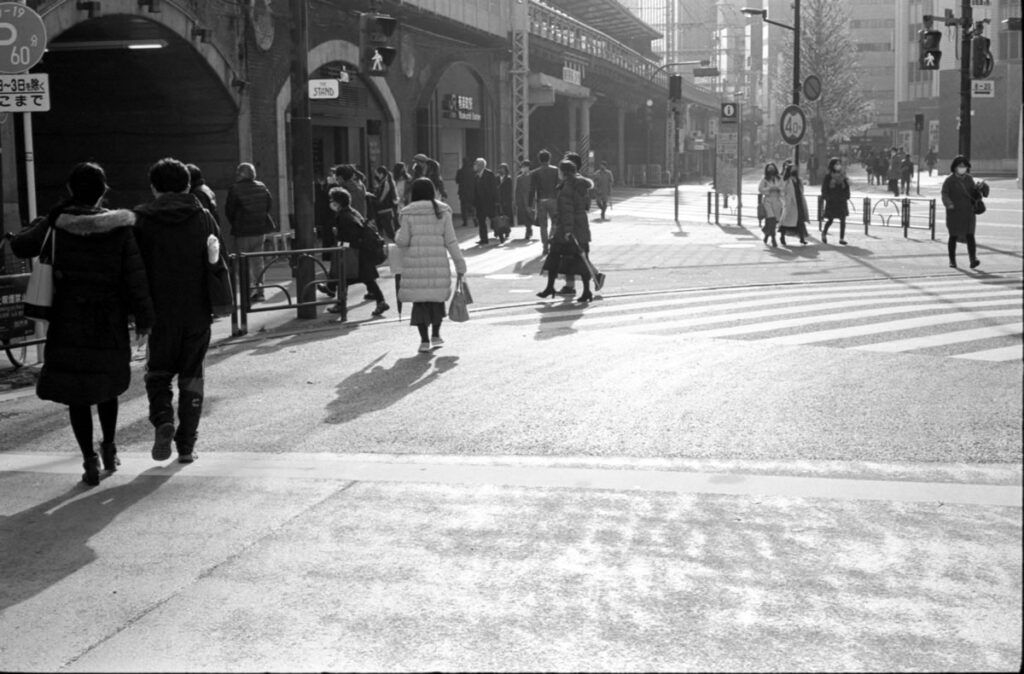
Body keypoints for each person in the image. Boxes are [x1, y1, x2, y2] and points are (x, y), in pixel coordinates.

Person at [8, 162, 154, 486]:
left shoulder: (56, 222)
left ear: (71, 190)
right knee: (108, 385)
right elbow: (135, 276)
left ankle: (88, 459)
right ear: (103, 191)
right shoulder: (119, 226)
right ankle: (110, 447)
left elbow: (21, 246)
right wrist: (144, 319)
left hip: (67, 319)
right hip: (109, 320)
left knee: (77, 393)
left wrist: (29, 226)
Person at [134, 157, 219, 464]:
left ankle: (162, 418)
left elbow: (134, 269)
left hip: (158, 313)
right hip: (197, 310)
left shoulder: (140, 220)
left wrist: (136, 311)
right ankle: (187, 445)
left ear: (154, 187)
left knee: (157, 372)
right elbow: (216, 261)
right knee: (192, 375)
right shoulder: (203, 216)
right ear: (187, 185)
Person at [395, 178, 467, 353]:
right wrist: (460, 263)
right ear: (432, 191)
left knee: (419, 303)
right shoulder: (443, 211)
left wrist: (398, 232)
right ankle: (436, 335)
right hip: (437, 264)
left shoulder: (408, 213)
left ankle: (424, 341)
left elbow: (402, 241)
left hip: (415, 266)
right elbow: (451, 241)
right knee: (436, 301)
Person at [325, 186, 389, 316]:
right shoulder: (353, 212)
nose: (330, 203)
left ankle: (340, 304)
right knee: (367, 279)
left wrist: (340, 239)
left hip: (354, 253)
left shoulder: (343, 216)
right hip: (362, 252)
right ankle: (381, 302)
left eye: (332, 200)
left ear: (338, 202)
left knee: (344, 277)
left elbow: (351, 237)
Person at [536, 159, 594, 303]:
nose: (559, 173)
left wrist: (567, 230)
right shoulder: (580, 185)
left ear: (564, 172)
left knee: (554, 256)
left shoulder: (567, 188)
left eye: (560, 171)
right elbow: (585, 206)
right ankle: (586, 291)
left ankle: (550, 287)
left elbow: (568, 210)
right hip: (581, 228)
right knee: (581, 259)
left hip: (568, 230)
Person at [225, 162, 274, 303]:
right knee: (258, 262)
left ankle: (248, 291)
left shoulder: (235, 189)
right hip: (260, 230)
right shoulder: (262, 186)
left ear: (241, 174)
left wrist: (236, 222)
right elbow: (269, 205)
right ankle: (260, 291)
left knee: (243, 263)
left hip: (243, 231)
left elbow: (230, 211)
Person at [941, 155, 986, 269]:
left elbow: (973, 193)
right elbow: (944, 194)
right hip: (954, 213)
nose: (962, 168)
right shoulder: (949, 180)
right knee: (953, 236)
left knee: (970, 236)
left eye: (964, 166)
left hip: (968, 213)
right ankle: (952, 260)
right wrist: (949, 203)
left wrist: (979, 189)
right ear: (955, 167)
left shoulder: (969, 179)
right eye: (960, 166)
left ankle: (973, 259)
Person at [529, 149, 560, 254]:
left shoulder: (535, 173)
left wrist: (530, 204)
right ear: (549, 159)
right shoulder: (556, 170)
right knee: (555, 223)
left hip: (541, 201)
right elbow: (560, 186)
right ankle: (552, 239)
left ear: (539, 160)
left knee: (543, 226)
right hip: (554, 200)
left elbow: (532, 189)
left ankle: (545, 247)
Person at [778, 161, 809, 246]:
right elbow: (782, 191)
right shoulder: (786, 180)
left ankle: (802, 238)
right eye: (793, 168)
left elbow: (801, 190)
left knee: (800, 220)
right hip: (790, 203)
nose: (795, 170)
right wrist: (786, 200)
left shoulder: (798, 179)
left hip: (798, 201)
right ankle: (782, 236)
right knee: (786, 221)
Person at [820, 157, 850, 245]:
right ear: (832, 165)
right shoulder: (828, 176)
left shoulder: (843, 175)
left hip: (841, 200)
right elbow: (824, 188)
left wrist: (846, 196)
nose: (838, 166)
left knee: (843, 219)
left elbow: (847, 187)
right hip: (832, 201)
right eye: (836, 164)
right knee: (830, 220)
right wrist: (827, 197)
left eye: (839, 164)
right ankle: (824, 233)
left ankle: (841, 238)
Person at [472, 157, 499, 245]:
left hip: (489, 202)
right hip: (480, 204)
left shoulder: (489, 174)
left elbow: (494, 188)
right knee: (481, 222)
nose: (474, 166)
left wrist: (496, 200)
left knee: (494, 220)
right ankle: (484, 239)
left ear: (480, 165)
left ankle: (500, 233)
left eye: (475, 164)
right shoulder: (476, 176)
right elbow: (475, 190)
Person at [757, 162, 784, 248]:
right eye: (769, 168)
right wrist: (769, 188)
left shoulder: (779, 178)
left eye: (772, 168)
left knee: (775, 221)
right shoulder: (764, 179)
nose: (771, 170)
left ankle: (766, 234)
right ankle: (773, 239)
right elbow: (760, 189)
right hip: (768, 200)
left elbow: (783, 187)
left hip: (777, 200)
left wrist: (778, 189)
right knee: (771, 219)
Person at [372, 165, 399, 242]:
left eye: (377, 173)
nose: (376, 175)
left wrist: (374, 198)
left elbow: (382, 198)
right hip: (384, 210)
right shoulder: (383, 182)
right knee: (388, 232)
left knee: (390, 232)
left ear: (381, 174)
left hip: (386, 210)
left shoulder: (385, 183)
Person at [515, 160, 535, 240]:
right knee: (525, 215)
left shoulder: (533, 176)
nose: (522, 169)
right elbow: (517, 190)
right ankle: (528, 230)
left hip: (531, 198)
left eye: (523, 167)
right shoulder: (519, 178)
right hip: (522, 199)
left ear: (528, 167)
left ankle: (529, 229)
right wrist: (516, 200)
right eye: (521, 167)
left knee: (531, 214)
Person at [455, 157, 477, 227]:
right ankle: (475, 219)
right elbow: (475, 181)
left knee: (463, 207)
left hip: (463, 191)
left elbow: (457, 181)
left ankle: (465, 221)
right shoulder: (473, 171)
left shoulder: (460, 171)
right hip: (471, 191)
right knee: (472, 206)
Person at [496, 162, 514, 244]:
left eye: (502, 168)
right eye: (500, 168)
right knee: (498, 217)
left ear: (506, 170)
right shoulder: (496, 178)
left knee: (506, 217)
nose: (501, 170)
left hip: (506, 201)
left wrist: (508, 201)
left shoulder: (508, 179)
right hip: (498, 201)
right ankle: (499, 233)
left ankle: (506, 231)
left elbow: (509, 191)